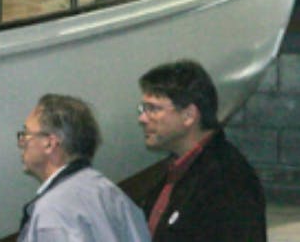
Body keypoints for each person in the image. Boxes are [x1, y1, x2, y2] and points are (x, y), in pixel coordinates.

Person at [137, 60, 266, 241]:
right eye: (143, 108)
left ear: (189, 115)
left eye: (153, 109)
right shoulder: (177, 170)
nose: (143, 118)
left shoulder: (226, 181)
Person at [17, 93, 150, 241]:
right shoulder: (110, 192)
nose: (21, 142)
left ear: (49, 143)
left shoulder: (52, 213)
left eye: (26, 134)